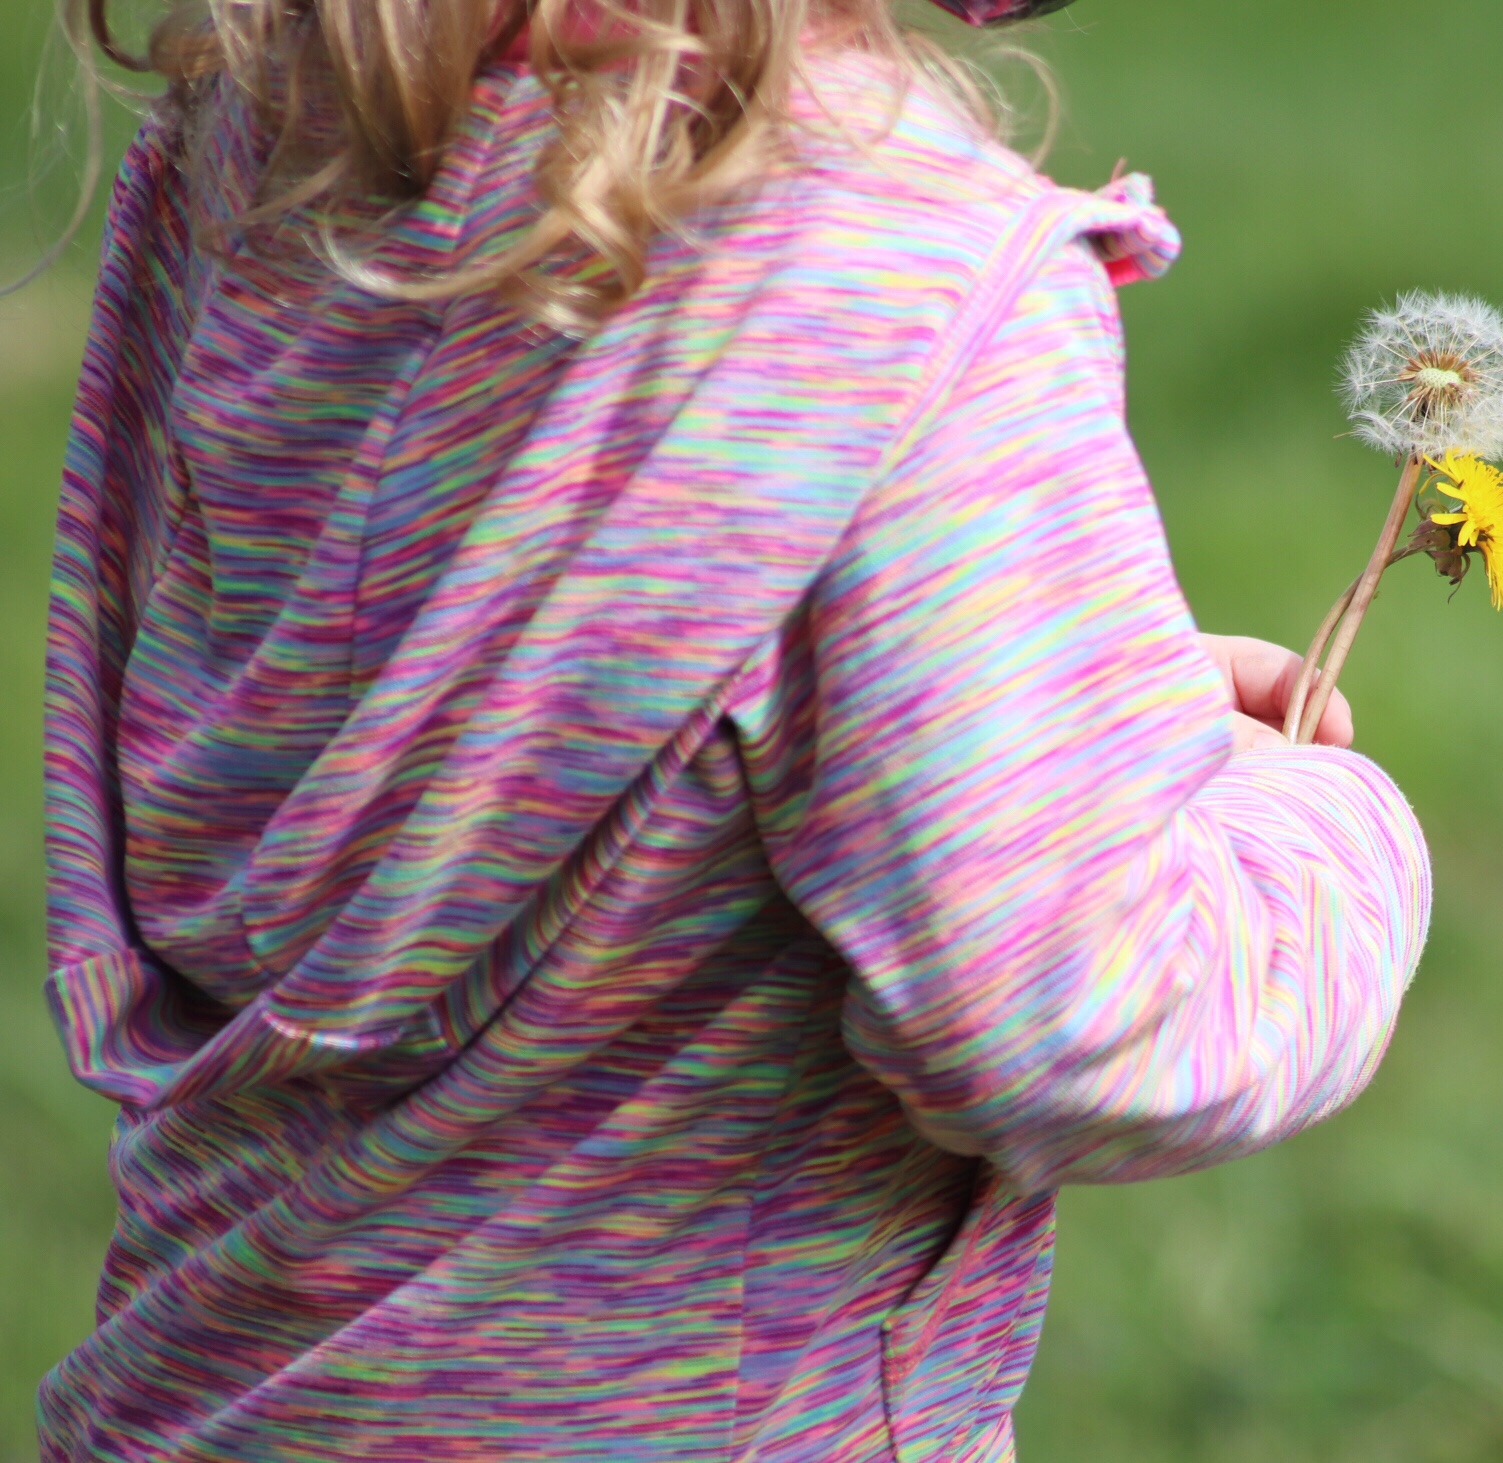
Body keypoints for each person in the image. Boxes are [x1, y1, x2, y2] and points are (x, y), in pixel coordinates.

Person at [35, 0, 1431, 1459]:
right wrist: (1329, 833)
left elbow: (441, 681)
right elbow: (1081, 1026)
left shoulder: (276, 133)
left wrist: (1034, 692)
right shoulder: (906, 269)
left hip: (208, 1398)